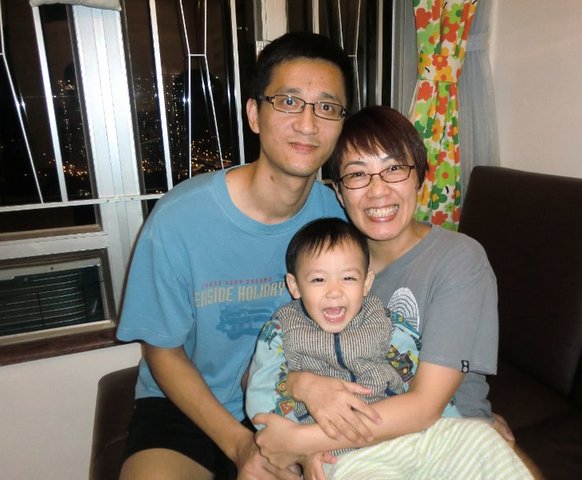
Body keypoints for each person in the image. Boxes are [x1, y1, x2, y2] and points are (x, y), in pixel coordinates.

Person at [115, 31, 353, 480]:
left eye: (327, 107)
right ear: (254, 115)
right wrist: (240, 444)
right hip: (184, 406)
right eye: (288, 102)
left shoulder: (337, 220)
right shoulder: (179, 219)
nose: (308, 124)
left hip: (291, 402)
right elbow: (162, 350)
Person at [251, 106, 532, 479]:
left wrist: (303, 441)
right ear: (339, 192)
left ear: (420, 178)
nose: (378, 190)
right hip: (356, 452)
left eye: (395, 168)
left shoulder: (458, 259)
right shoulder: (330, 268)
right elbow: (268, 359)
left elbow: (425, 407)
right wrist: (303, 386)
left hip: (447, 442)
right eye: (357, 174)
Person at [246, 217, 463, 439]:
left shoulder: (384, 322)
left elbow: (415, 373)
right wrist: (294, 443)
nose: (334, 291)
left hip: (392, 432)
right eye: (319, 280)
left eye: (348, 278)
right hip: (323, 441)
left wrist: (452, 428)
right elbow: (263, 390)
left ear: (366, 283)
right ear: (295, 286)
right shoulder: (282, 330)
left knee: (475, 437)